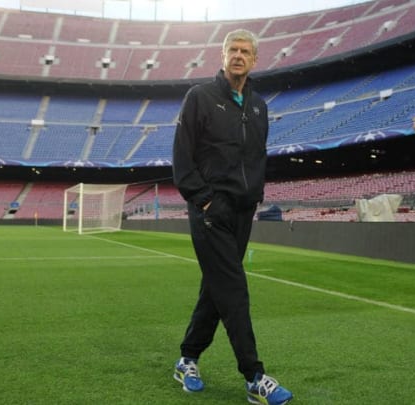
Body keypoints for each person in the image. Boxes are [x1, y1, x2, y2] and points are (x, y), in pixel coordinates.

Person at [171, 29, 293, 405]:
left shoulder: (259, 106)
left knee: (216, 289)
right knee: (234, 290)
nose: (238, 56)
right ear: (222, 56)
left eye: (245, 51)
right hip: (211, 211)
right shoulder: (200, 97)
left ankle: (187, 358)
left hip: (243, 211)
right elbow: (182, 158)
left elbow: (257, 158)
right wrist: (204, 200)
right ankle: (254, 376)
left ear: (254, 59)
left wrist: (254, 197)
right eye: (232, 50)